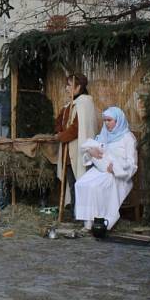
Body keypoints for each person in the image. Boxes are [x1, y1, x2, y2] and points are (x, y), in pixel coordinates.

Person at [74, 107, 138, 231]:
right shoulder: (103, 135)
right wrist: (91, 152)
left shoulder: (128, 138)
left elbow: (132, 164)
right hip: (100, 170)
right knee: (81, 184)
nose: (106, 123)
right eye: (105, 120)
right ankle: (88, 222)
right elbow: (91, 152)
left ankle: (102, 222)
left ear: (118, 120)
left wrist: (117, 168)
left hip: (117, 174)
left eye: (109, 120)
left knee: (95, 187)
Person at [54, 73, 97, 210]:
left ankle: (81, 213)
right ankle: (74, 211)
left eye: (69, 85)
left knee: (80, 182)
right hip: (69, 152)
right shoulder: (71, 105)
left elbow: (76, 128)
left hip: (77, 151)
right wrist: (59, 129)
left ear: (78, 87)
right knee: (72, 183)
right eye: (66, 85)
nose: (66, 88)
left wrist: (61, 137)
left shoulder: (84, 103)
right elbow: (60, 123)